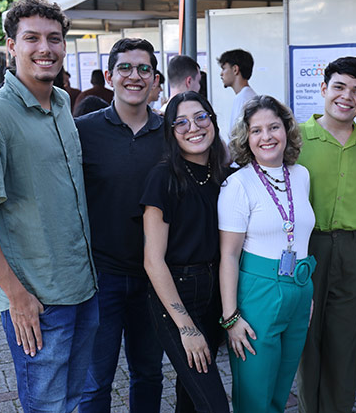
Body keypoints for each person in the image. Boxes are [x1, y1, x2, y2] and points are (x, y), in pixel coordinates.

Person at [0, 0, 98, 413]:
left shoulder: (60, 107)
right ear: (11, 46)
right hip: (37, 302)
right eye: (31, 38)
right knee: (47, 407)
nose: (45, 48)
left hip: (83, 289)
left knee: (73, 403)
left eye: (54, 38)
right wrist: (16, 296)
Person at [76, 37, 165, 413]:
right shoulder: (82, 131)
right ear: (110, 76)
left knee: (149, 375)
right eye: (125, 68)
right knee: (96, 381)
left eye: (143, 68)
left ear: (154, 78)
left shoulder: (171, 134)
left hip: (155, 279)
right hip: (102, 278)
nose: (134, 76)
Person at [219, 95, 316, 412]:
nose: (267, 137)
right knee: (254, 397)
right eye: (257, 130)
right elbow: (229, 256)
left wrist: (305, 294)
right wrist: (231, 317)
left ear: (287, 130)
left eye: (274, 127)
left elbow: (299, 234)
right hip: (258, 293)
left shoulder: (300, 175)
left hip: (299, 288)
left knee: (279, 391)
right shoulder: (238, 184)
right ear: (247, 137)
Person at [296, 56, 356, 413]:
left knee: (345, 343)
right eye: (340, 87)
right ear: (324, 88)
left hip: (354, 249)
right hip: (307, 247)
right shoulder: (295, 138)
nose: (347, 97)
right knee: (306, 340)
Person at [142, 91, 229, 412]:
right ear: (170, 133)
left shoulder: (224, 177)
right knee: (214, 403)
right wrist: (186, 328)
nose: (193, 127)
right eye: (180, 122)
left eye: (200, 117)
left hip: (214, 292)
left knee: (190, 397)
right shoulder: (162, 178)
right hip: (176, 295)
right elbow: (153, 261)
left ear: (213, 122)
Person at [218, 49, 257, 135]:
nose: (221, 74)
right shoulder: (247, 96)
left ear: (235, 69)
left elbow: (238, 138)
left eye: (224, 68)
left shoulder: (243, 99)